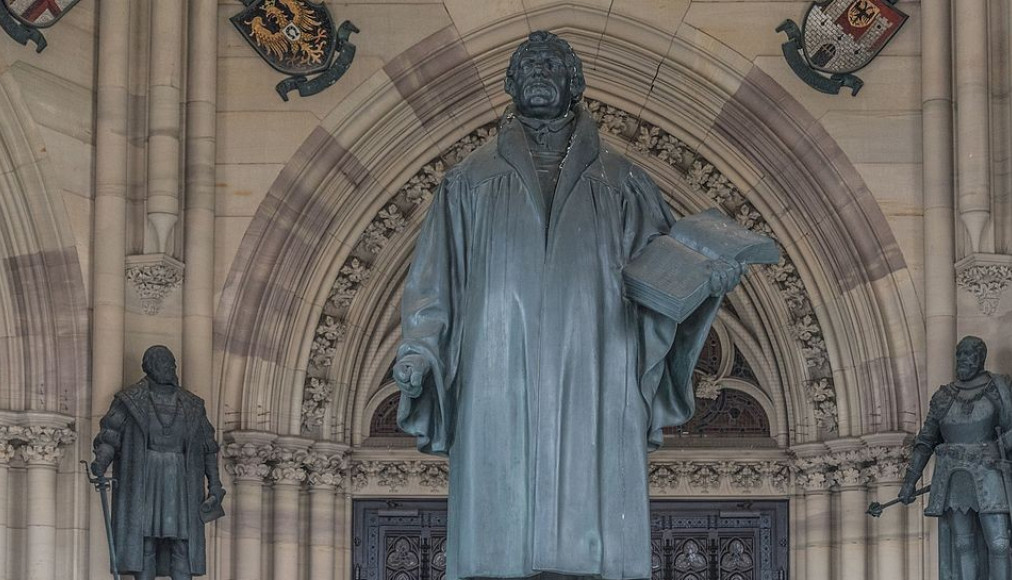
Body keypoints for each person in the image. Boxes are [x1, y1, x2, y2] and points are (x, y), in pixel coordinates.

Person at [393, 31, 743, 580]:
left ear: (573, 84)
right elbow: (433, 281)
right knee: (497, 516)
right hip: (496, 361)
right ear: (510, 84)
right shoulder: (467, 182)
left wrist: (708, 282)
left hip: (596, 357)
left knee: (593, 501)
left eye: (550, 66)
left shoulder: (624, 180)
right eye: (527, 65)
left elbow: (664, 277)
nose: (537, 72)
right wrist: (418, 350)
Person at [91, 345, 225, 580]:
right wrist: (100, 462)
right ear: (149, 367)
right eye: (164, 363)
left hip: (182, 480)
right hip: (145, 478)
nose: (170, 368)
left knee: (183, 545)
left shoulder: (193, 405)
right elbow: (110, 435)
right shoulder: (130, 400)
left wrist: (215, 484)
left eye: (172, 363)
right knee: (145, 543)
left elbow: (208, 447)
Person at [900, 336, 1012, 580]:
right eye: (959, 354)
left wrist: (1001, 445)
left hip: (989, 472)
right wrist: (910, 480)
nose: (962, 359)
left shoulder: (999, 388)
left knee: (1000, 544)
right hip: (953, 475)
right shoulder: (943, 396)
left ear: (980, 358)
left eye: (968, 354)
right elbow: (925, 440)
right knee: (962, 545)